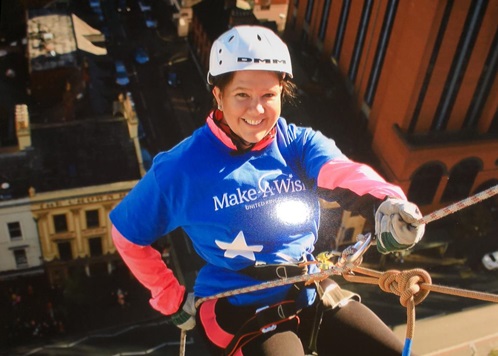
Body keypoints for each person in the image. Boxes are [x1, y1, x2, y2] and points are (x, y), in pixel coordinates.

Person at [110, 25, 425, 355]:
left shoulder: (295, 143)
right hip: (237, 305)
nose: (257, 110)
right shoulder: (181, 168)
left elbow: (342, 173)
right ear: (218, 95)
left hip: (306, 288)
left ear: (281, 94)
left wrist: (387, 204)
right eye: (242, 95)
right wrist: (171, 299)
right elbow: (128, 234)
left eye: (268, 96)